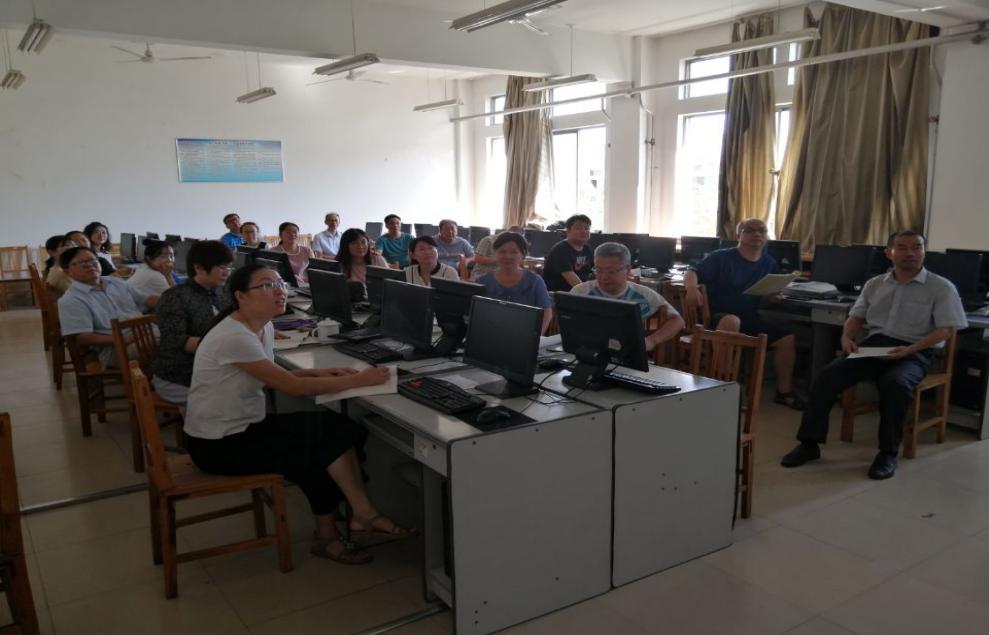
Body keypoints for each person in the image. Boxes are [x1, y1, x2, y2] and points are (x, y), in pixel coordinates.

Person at [184, 263, 413, 564]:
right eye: (267, 285)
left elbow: (272, 374)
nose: (279, 291)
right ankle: (340, 529)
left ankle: (358, 517)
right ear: (240, 296)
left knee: (335, 430)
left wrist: (320, 372)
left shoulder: (260, 326)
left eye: (280, 283)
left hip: (242, 427)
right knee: (318, 449)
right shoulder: (234, 337)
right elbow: (292, 387)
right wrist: (360, 380)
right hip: (218, 444)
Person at [781, 230, 968, 479]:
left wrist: (911, 349)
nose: (910, 253)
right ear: (889, 253)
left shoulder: (941, 287)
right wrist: (846, 338)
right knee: (827, 376)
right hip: (876, 345)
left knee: (895, 384)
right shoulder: (875, 284)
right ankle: (809, 444)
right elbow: (856, 316)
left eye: (917, 247)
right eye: (902, 247)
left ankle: (887, 453)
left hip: (916, 350)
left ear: (924, 251)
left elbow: (946, 329)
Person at [684, 218, 804, 409]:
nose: (757, 234)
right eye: (750, 230)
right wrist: (691, 288)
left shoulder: (769, 263)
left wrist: (773, 295)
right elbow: (691, 272)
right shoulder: (721, 257)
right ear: (738, 235)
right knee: (732, 321)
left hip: (748, 317)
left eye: (762, 231)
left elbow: (768, 293)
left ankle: (784, 392)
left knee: (786, 338)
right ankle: (722, 387)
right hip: (717, 316)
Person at [152, 240, 232, 407]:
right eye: (222, 267)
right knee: (231, 401)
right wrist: (229, 345)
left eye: (229, 266)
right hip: (179, 376)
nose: (227, 272)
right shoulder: (174, 297)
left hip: (215, 368)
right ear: (199, 268)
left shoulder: (221, 291)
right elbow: (178, 341)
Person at [572, 242, 686, 352]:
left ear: (627, 270)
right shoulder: (581, 292)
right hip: (585, 352)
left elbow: (678, 321)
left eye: (611, 271)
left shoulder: (643, 294)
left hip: (627, 353)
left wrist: (652, 340)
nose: (603, 277)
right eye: (598, 270)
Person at [57, 246, 158, 368]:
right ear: (67, 271)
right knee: (171, 342)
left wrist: (173, 302)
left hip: (147, 332)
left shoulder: (115, 282)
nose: (90, 265)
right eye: (82, 263)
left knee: (175, 333)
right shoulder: (71, 300)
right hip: (117, 348)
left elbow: (147, 299)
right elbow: (81, 338)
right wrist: (123, 339)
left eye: (93, 260)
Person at [477, 232, 553, 334]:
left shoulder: (535, 281)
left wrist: (535, 337)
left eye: (513, 252)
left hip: (525, 335)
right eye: (502, 251)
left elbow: (547, 312)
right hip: (490, 335)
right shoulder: (482, 281)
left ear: (523, 254)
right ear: (495, 253)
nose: (507, 256)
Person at [542, 214, 594, 292]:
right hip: (561, 294)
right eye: (578, 228)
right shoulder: (560, 249)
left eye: (587, 228)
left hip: (578, 291)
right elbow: (572, 279)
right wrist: (590, 294)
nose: (584, 231)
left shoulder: (587, 248)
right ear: (568, 231)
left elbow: (595, 271)